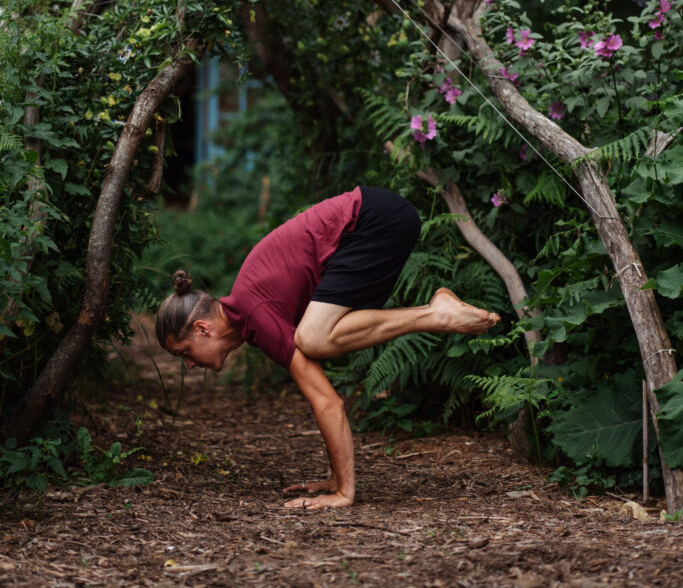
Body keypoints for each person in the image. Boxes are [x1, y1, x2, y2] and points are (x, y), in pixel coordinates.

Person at [155, 185, 500, 510]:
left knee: (314, 338)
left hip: (374, 220)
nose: (189, 365)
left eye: (184, 353)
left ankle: (435, 313)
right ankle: (434, 312)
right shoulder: (250, 314)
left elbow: (327, 400)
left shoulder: (253, 311)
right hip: (378, 220)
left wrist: (343, 493)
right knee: (317, 336)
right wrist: (335, 477)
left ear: (202, 329)